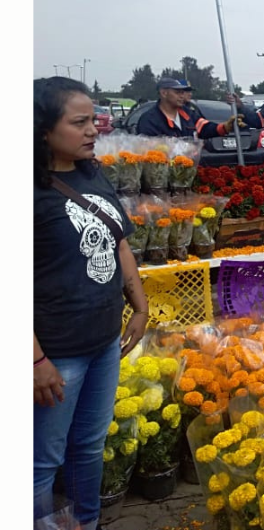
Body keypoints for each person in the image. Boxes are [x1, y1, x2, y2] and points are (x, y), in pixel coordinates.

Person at [34, 77, 150, 530]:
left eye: (93, 121)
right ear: (43, 129)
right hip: (55, 351)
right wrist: (35, 357)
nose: (93, 130)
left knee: (88, 446)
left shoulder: (89, 173)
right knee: (42, 461)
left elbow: (118, 240)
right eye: (79, 122)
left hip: (103, 341)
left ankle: (87, 522)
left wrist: (139, 307)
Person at [136, 77, 235, 139]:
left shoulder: (188, 114)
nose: (182, 96)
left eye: (183, 92)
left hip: (189, 168)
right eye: (177, 92)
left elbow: (205, 128)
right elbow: (150, 151)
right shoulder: (149, 120)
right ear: (164, 93)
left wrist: (224, 127)